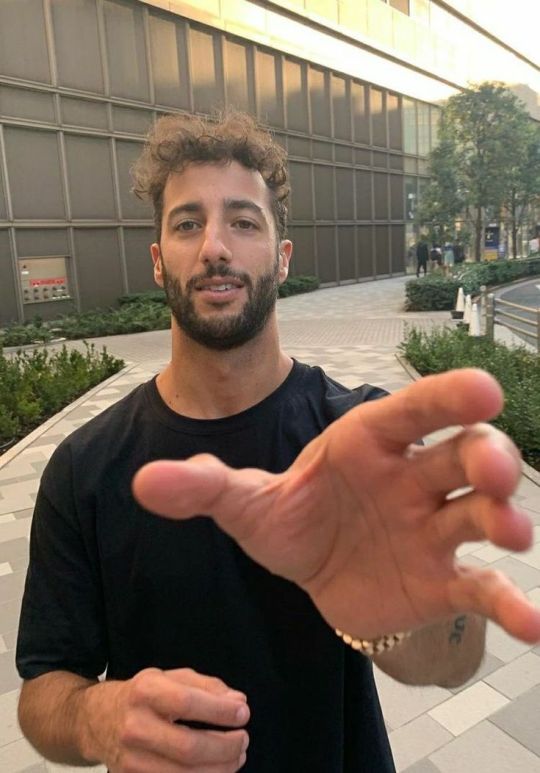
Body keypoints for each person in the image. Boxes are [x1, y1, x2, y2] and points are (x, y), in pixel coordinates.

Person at [16, 111, 540, 773]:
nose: (215, 246)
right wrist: (98, 717)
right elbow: (44, 687)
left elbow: (450, 662)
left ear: (283, 257)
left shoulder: (357, 436)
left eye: (243, 221)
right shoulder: (83, 467)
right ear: (157, 261)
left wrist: (407, 608)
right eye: (187, 224)